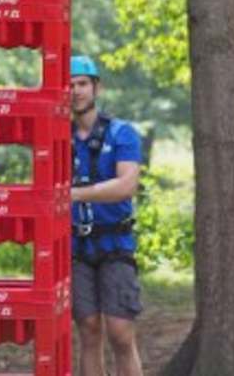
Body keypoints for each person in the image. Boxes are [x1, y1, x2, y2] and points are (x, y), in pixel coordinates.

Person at [70, 55, 144, 376]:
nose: (76, 91)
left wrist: (74, 194)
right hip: (75, 247)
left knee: (120, 334)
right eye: (69, 85)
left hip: (115, 243)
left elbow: (126, 185)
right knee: (88, 331)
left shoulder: (121, 133)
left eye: (82, 84)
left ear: (96, 88)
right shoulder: (57, 136)